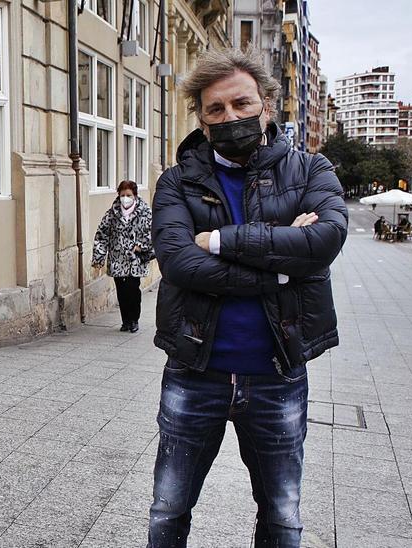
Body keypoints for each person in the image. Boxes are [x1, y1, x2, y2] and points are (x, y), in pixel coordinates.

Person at [149, 48, 348, 548]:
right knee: (168, 511)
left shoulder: (310, 170)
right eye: (215, 110)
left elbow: (325, 239)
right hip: (195, 370)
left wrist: (221, 240)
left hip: (277, 373)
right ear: (200, 116)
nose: (230, 117)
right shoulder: (177, 182)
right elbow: (178, 264)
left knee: (282, 516)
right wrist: (283, 269)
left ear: (267, 103)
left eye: (242, 104)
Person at [91, 180, 155, 333]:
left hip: (135, 259)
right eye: (123, 195)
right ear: (118, 195)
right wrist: (99, 258)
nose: (125, 198)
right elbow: (101, 235)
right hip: (117, 258)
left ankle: (134, 319)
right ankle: (125, 320)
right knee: (121, 290)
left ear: (135, 195)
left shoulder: (145, 212)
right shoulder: (112, 213)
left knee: (133, 289)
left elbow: (153, 232)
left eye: (129, 195)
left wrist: (141, 245)